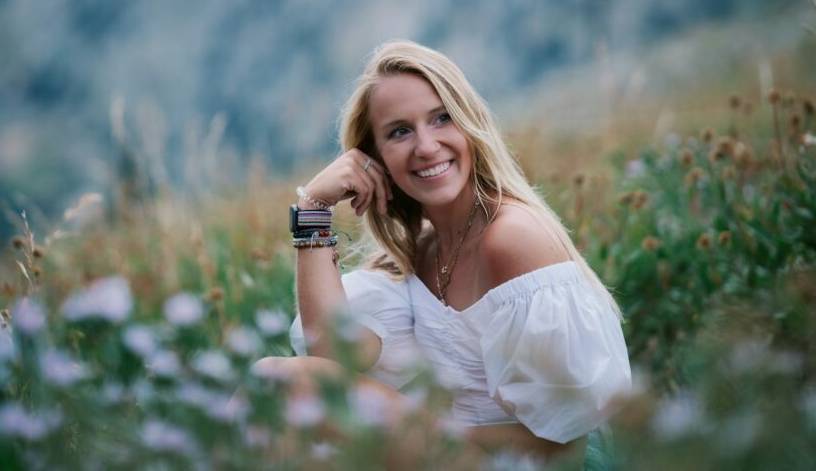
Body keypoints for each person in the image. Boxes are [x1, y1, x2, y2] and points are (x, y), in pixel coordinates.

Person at [257, 40, 631, 468]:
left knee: (283, 384)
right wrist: (313, 210)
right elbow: (334, 357)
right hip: (453, 454)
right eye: (400, 131)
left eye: (441, 118)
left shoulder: (511, 238)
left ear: (470, 124)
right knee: (282, 394)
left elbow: (564, 449)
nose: (427, 146)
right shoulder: (424, 246)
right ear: (373, 159)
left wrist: (406, 431)